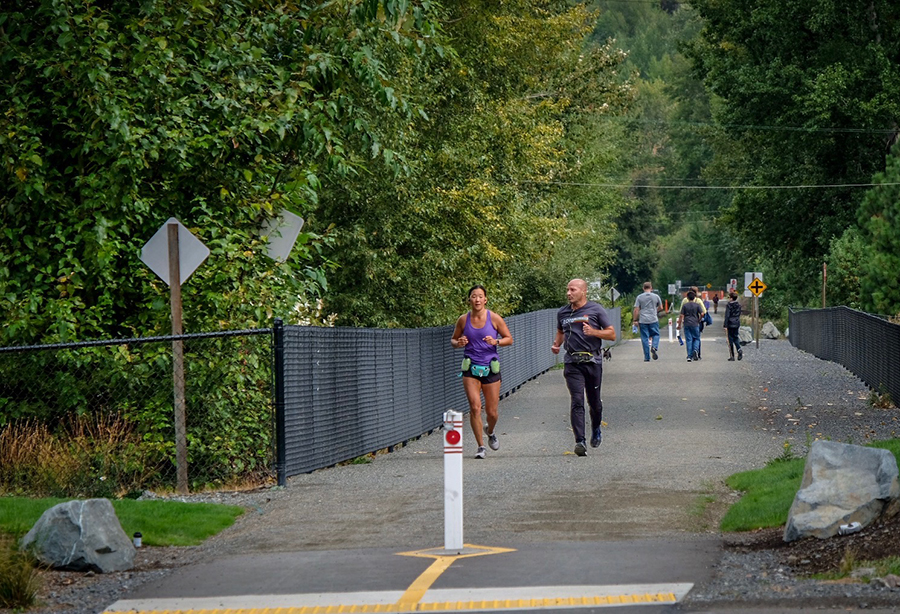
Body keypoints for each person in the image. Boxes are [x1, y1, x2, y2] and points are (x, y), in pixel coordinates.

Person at [551, 279, 616, 456]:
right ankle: (580, 441)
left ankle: (596, 428)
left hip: (592, 361)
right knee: (577, 400)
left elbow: (611, 334)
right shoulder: (563, 313)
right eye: (567, 290)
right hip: (572, 362)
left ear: (583, 291)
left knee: (594, 402)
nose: (568, 293)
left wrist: (594, 332)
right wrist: (557, 344)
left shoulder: (596, 310)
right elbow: (560, 331)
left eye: (572, 290)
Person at [451, 285, 513, 459]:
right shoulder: (463, 320)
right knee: (475, 407)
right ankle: (480, 447)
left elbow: (509, 339)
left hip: (490, 368)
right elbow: (453, 340)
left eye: (480, 296)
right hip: (470, 367)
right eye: (473, 296)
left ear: (485, 299)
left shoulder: (494, 318)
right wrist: (459, 343)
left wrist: (496, 342)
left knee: (492, 412)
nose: (477, 299)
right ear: (469, 299)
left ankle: (490, 431)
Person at [632, 282, 664, 362]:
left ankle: (647, 357)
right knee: (656, 334)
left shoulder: (639, 297)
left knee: (644, 338)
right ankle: (654, 346)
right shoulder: (656, 296)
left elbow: (636, 310)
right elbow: (661, 307)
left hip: (643, 320)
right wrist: (655, 311)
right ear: (651, 288)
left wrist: (635, 320)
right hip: (653, 319)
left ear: (643, 288)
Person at [680, 286, 707, 360]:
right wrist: (699, 319)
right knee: (697, 338)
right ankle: (697, 352)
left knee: (689, 339)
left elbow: (681, 312)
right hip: (696, 322)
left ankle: (689, 355)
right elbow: (704, 312)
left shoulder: (685, 301)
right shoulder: (698, 301)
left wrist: (679, 323)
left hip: (687, 322)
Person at [723, 291, 743, 361]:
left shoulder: (729, 305)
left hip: (730, 323)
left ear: (731, 298)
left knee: (730, 339)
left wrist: (725, 325)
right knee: (736, 337)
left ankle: (732, 356)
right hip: (736, 323)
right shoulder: (739, 305)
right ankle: (739, 349)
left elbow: (727, 315)